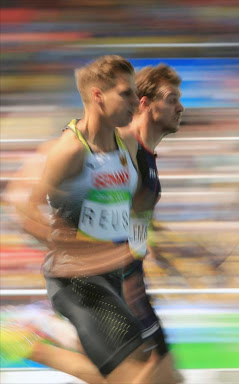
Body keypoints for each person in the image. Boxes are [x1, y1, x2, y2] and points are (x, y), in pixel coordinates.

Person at [1, 55, 177, 384]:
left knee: (145, 375)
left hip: (112, 277)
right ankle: (33, 342)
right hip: (77, 281)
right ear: (98, 96)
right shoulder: (71, 150)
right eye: (125, 94)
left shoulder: (125, 143)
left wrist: (142, 250)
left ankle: (32, 342)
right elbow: (24, 206)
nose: (133, 102)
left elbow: (136, 207)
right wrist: (77, 249)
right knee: (143, 376)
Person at [119, 63, 185, 380]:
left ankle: (33, 339)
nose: (180, 107)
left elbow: (135, 219)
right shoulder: (122, 148)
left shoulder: (147, 157)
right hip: (115, 286)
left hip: (130, 283)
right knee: (162, 374)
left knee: (159, 374)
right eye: (172, 99)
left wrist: (168, 252)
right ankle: (33, 338)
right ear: (144, 103)